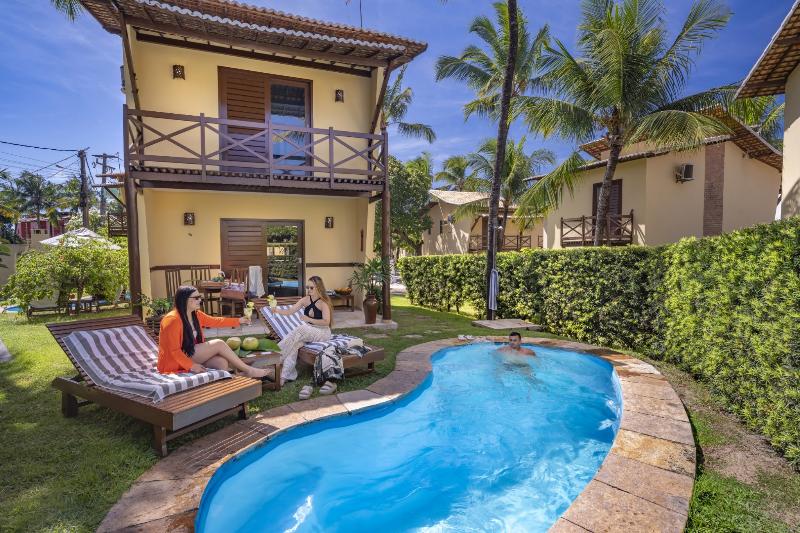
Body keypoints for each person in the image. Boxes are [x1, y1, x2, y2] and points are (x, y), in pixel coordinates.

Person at [157, 285, 271, 379]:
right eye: (196, 298)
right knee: (218, 343)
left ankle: (231, 381)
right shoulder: (172, 320)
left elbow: (216, 321)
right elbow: (173, 351)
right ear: (185, 299)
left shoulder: (195, 314)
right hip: (175, 361)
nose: (200, 300)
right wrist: (191, 366)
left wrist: (239, 320)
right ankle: (248, 370)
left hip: (190, 353)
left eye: (200, 297)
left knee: (221, 363)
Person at [269, 275, 333, 384]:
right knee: (295, 345)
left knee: (301, 329)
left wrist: (309, 319)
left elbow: (326, 322)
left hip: (323, 332)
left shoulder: (323, 302)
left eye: (311, 287)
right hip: (310, 331)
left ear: (319, 288)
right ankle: (284, 377)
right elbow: (290, 311)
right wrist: (277, 310)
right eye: (307, 287)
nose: (309, 290)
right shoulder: (305, 300)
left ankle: (273, 358)